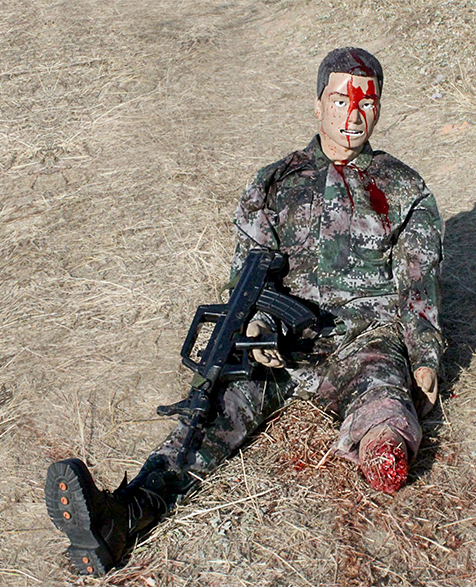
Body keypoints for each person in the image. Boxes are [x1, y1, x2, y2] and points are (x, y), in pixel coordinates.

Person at [44, 47, 444, 576]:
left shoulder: (405, 190)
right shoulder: (273, 184)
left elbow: (418, 284)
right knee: (206, 418)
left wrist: (425, 358)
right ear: (317, 105)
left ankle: (381, 448)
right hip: (280, 341)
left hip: (363, 341)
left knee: (386, 418)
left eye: (366, 103)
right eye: (340, 100)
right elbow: (247, 275)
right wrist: (257, 326)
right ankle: (123, 516)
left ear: (380, 109)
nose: (353, 115)